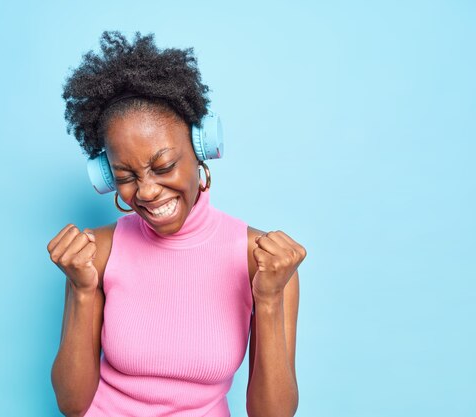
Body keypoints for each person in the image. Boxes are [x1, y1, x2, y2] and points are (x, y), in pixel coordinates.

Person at [47, 31, 307, 417]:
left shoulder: (263, 260)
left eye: (164, 166)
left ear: (201, 150)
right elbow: (72, 405)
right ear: (106, 177)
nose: (147, 192)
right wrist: (83, 291)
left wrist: (267, 300)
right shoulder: (95, 253)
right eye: (126, 175)